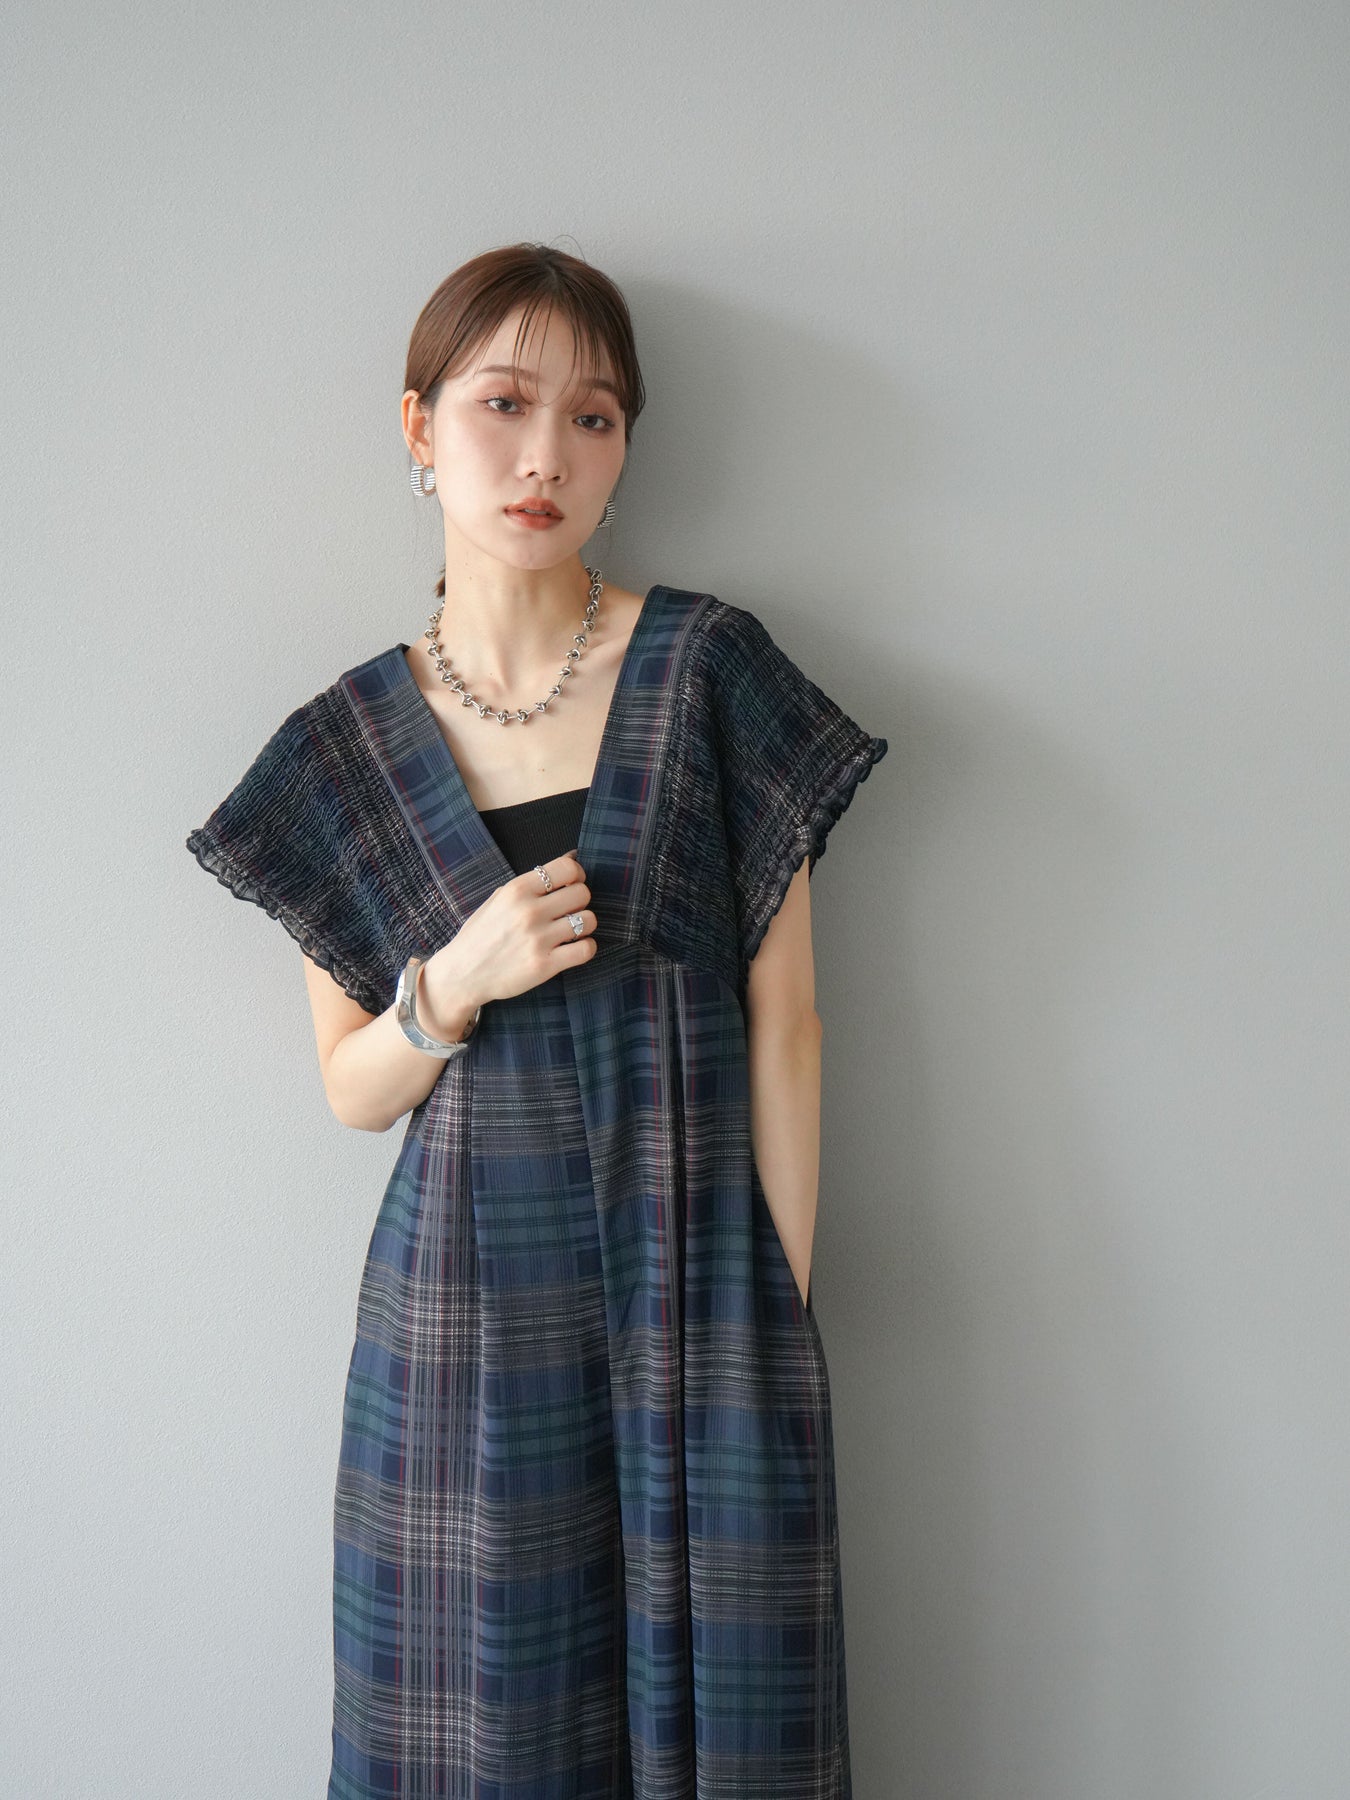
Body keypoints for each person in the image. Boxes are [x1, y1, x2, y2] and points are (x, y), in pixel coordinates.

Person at [185, 242, 888, 1800]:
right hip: (464, 1333)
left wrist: (768, 1311)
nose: (544, 455)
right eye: (501, 404)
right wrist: (453, 981)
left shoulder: (706, 673)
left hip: (699, 1304)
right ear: (419, 427)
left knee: (736, 1726)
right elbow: (355, 1090)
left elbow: (788, 1025)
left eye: (592, 417)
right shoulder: (344, 751)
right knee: (483, 1727)